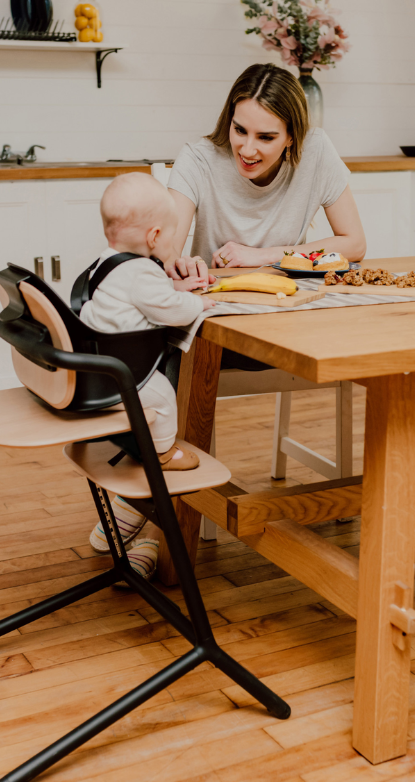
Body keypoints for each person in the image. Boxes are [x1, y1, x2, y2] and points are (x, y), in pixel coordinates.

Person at [82, 172, 215, 563]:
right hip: (129, 372)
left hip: (98, 367)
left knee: (159, 394)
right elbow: (170, 310)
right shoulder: (142, 272)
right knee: (165, 396)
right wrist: (197, 304)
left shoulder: (107, 263)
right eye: (172, 236)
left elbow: (143, 296)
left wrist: (170, 289)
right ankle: (162, 452)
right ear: (155, 237)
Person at [166, 62, 366, 279]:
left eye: (266, 137)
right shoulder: (197, 160)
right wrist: (181, 264)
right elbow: (166, 254)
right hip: (216, 296)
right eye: (240, 130)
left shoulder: (315, 150)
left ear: (292, 136)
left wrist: (263, 256)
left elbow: (355, 245)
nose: (248, 150)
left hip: (292, 295)